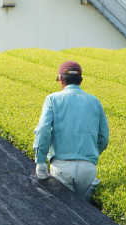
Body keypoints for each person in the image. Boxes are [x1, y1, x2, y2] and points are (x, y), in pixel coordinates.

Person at [33, 60, 109, 202]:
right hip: (87, 169)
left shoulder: (52, 99)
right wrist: (88, 154)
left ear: (61, 79)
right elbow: (103, 137)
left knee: (67, 216)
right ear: (81, 80)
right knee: (87, 216)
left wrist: (41, 160)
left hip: (61, 167)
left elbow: (43, 129)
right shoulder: (95, 101)